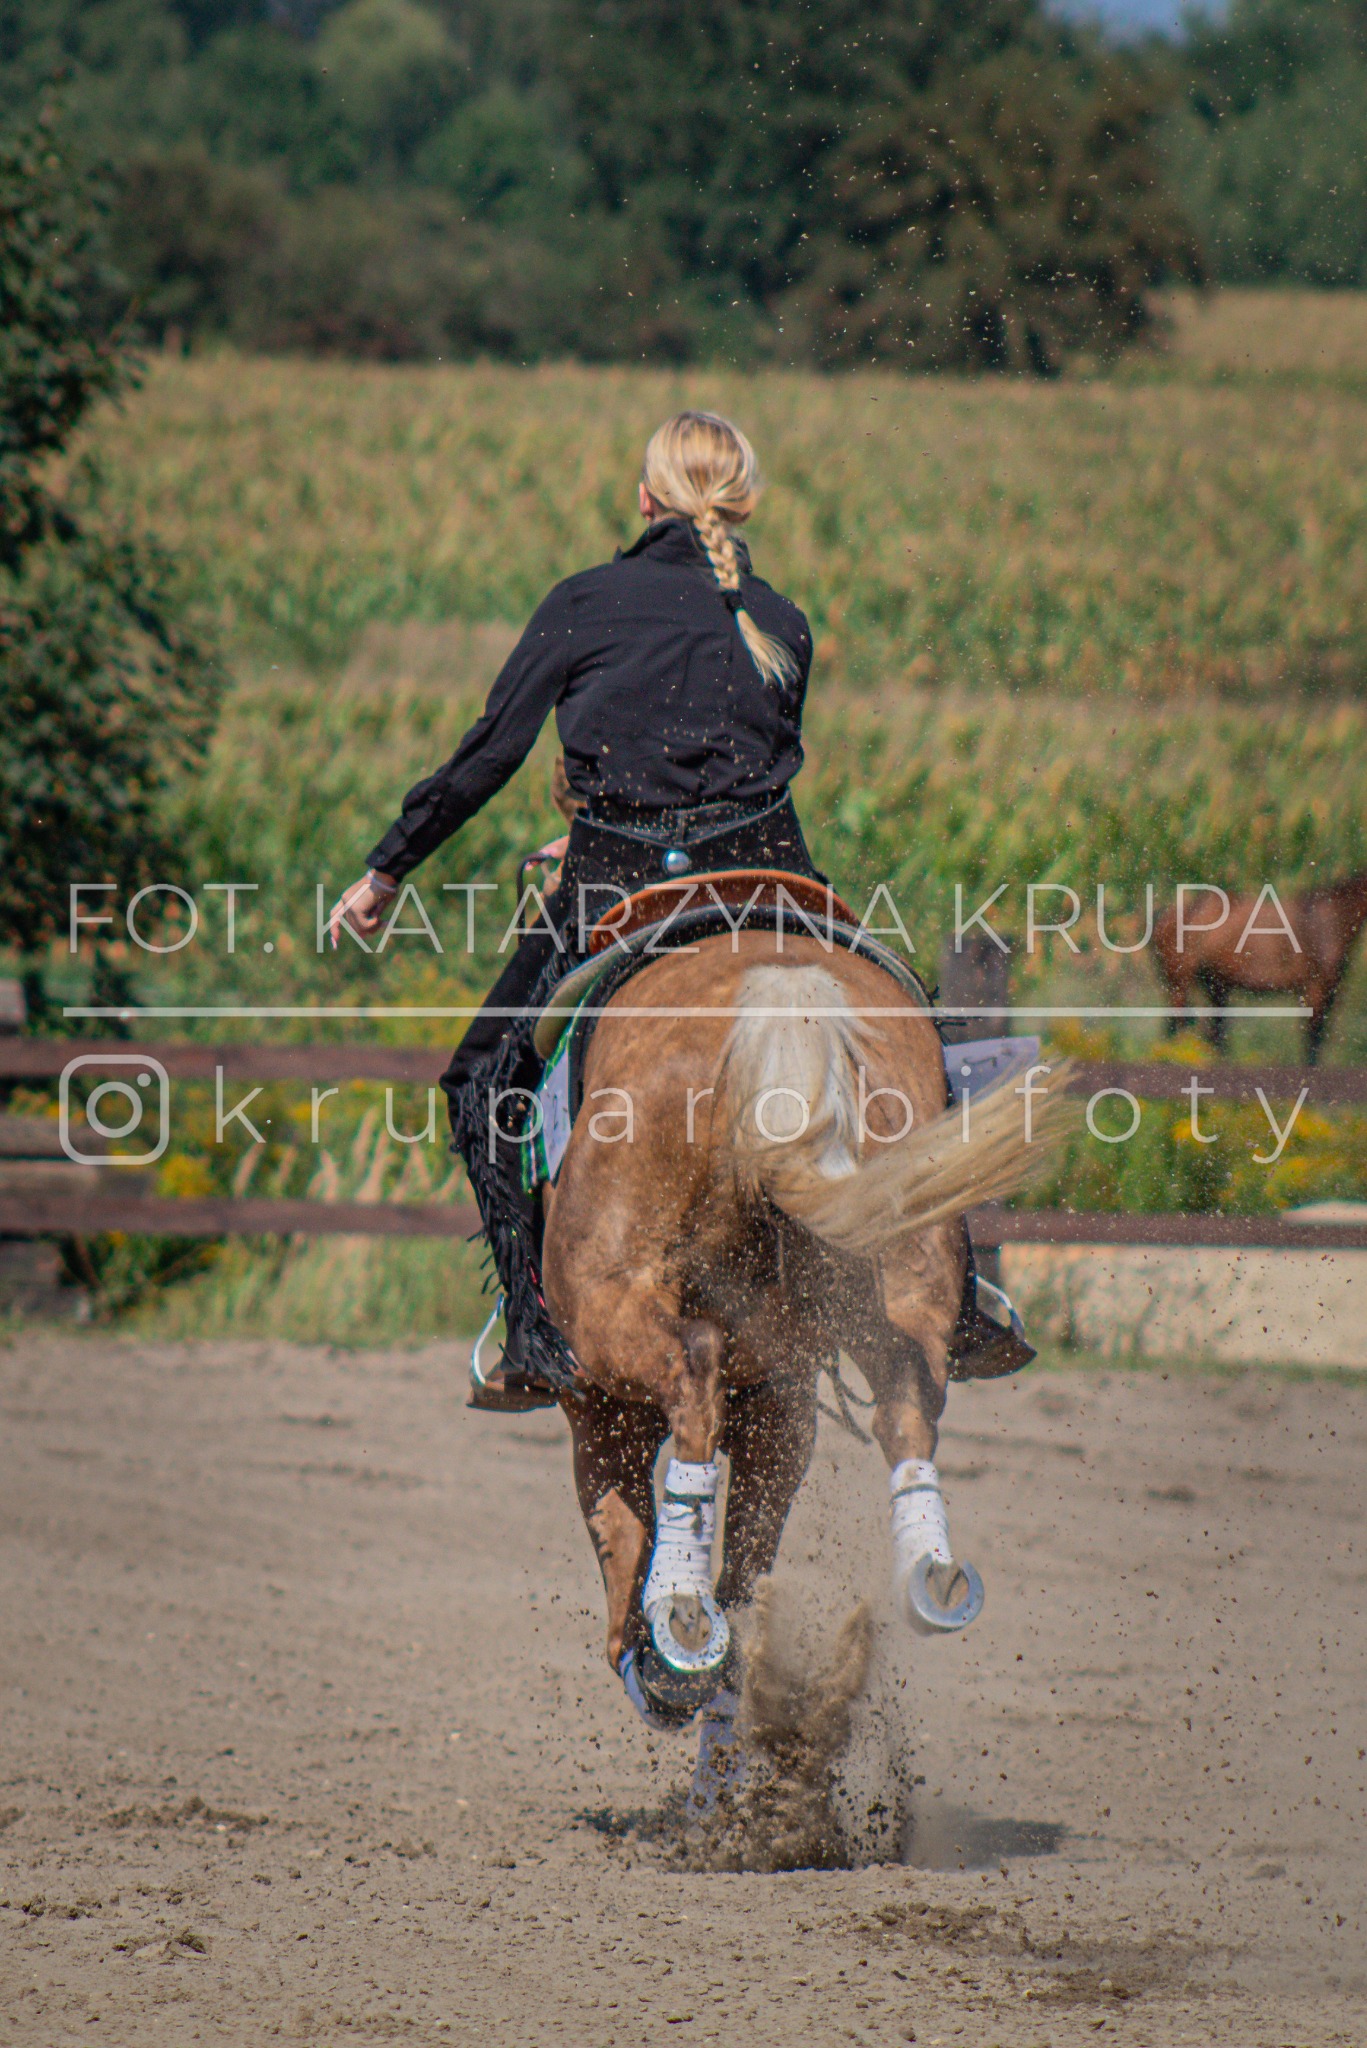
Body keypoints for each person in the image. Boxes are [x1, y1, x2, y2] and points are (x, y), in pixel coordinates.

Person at [330, 410, 1015, 1404]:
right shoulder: (779, 618)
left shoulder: (585, 601)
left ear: (644, 498)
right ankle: (972, 1290)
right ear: (741, 502)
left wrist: (390, 865)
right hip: (776, 879)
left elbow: (489, 753)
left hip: (622, 877)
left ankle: (526, 1328)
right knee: (920, 1047)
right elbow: (743, 767)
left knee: (480, 1079)